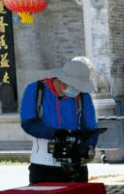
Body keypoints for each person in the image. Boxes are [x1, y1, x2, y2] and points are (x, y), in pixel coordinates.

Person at [18, 56, 99, 184]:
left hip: (77, 165)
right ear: (62, 80)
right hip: (44, 165)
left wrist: (87, 147)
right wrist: (55, 134)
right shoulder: (35, 90)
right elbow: (28, 122)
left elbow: (91, 127)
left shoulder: (83, 96)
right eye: (73, 86)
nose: (75, 91)